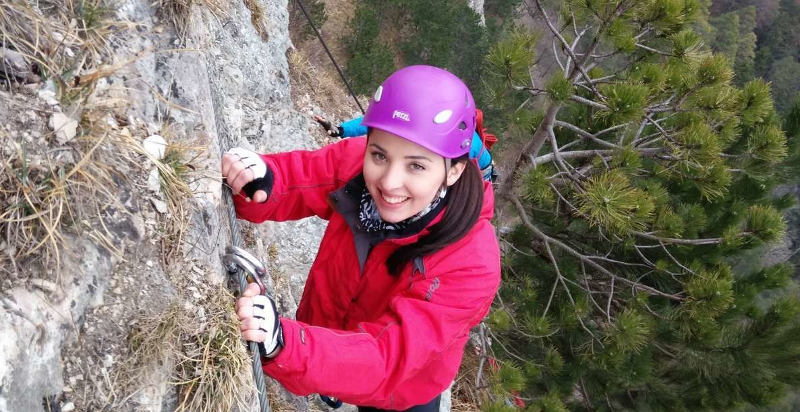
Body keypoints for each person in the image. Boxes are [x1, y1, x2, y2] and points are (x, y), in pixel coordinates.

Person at [222, 65, 501, 411]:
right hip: (330, 326)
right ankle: (331, 384)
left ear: (454, 170)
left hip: (402, 390)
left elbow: (388, 358)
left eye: (416, 166)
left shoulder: (472, 263)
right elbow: (300, 178)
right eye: (379, 155)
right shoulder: (357, 163)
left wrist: (287, 344)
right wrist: (260, 179)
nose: (389, 182)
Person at [312, 115, 497, 182]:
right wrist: (342, 130)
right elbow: (382, 119)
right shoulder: (426, 117)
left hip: (479, 171)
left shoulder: (461, 139)